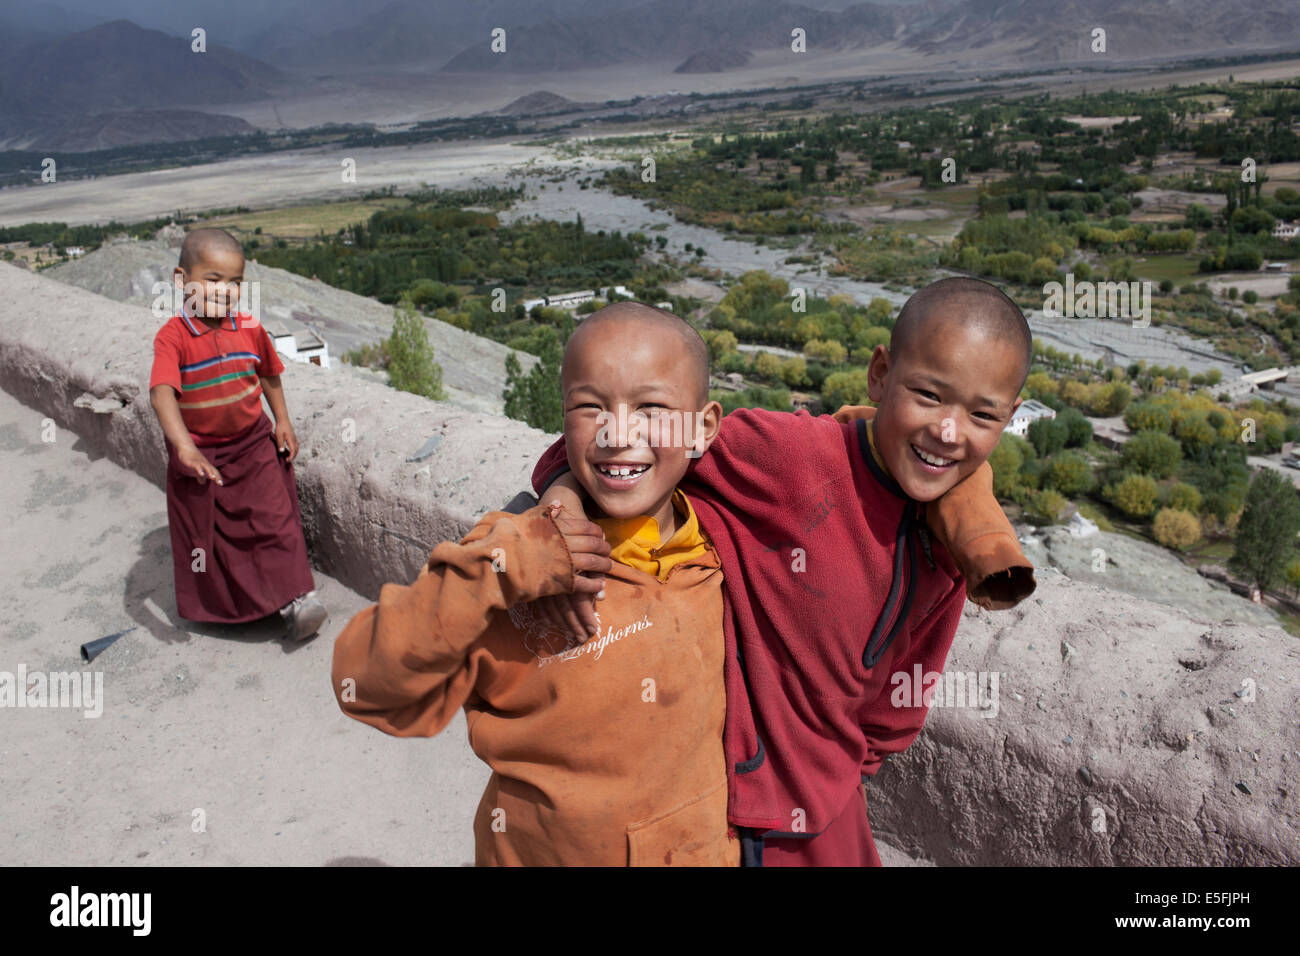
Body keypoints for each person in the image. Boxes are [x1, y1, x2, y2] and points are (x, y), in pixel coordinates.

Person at [531, 277, 1037, 866]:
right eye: (927, 395)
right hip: (721, 797)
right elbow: (614, 450)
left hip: (827, 807)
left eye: (981, 414)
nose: (948, 432)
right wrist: (562, 510)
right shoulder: (790, 456)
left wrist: (842, 769)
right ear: (880, 375)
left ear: (1011, 417)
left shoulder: (956, 541)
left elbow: (903, 696)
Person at [331, 302, 741, 866]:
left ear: (704, 427)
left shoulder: (720, 547)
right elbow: (364, 683)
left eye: (651, 407)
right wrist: (508, 564)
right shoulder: (518, 571)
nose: (619, 433)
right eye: (590, 406)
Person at [148, 227, 327, 640]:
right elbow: (162, 394)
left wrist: (282, 421)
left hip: (252, 445)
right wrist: (185, 448)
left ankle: (296, 599)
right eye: (212, 280)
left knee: (275, 521)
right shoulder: (172, 338)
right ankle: (239, 607)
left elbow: (269, 374)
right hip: (204, 456)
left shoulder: (248, 328)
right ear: (181, 280)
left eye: (235, 283)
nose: (224, 291)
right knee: (215, 539)